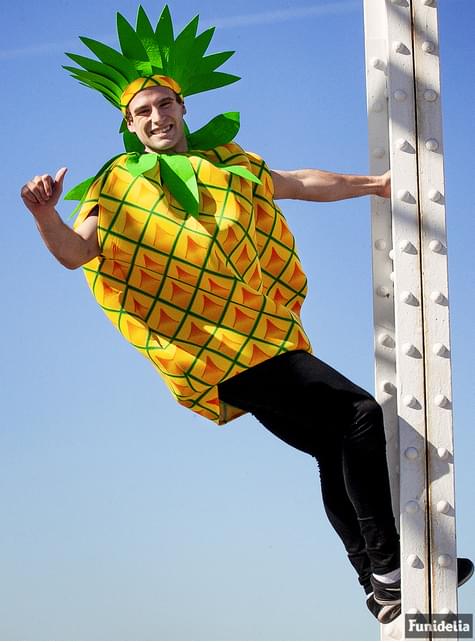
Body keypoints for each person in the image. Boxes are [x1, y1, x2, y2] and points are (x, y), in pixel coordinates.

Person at [20, 5, 472, 626]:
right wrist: (45, 216)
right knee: (360, 415)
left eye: (164, 104)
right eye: (142, 111)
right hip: (213, 352)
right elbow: (77, 254)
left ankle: (376, 583)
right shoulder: (117, 185)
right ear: (129, 123)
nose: (156, 117)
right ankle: (390, 566)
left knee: (333, 444)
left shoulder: (230, 163)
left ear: (182, 107)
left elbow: (299, 182)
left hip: (265, 337)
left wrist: (375, 185)